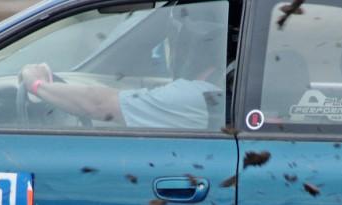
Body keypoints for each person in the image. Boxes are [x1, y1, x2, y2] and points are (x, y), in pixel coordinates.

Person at [19, 10, 228, 130]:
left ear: (187, 44)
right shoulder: (223, 89)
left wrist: (38, 85)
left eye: (170, 41)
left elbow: (99, 105)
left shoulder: (199, 96)